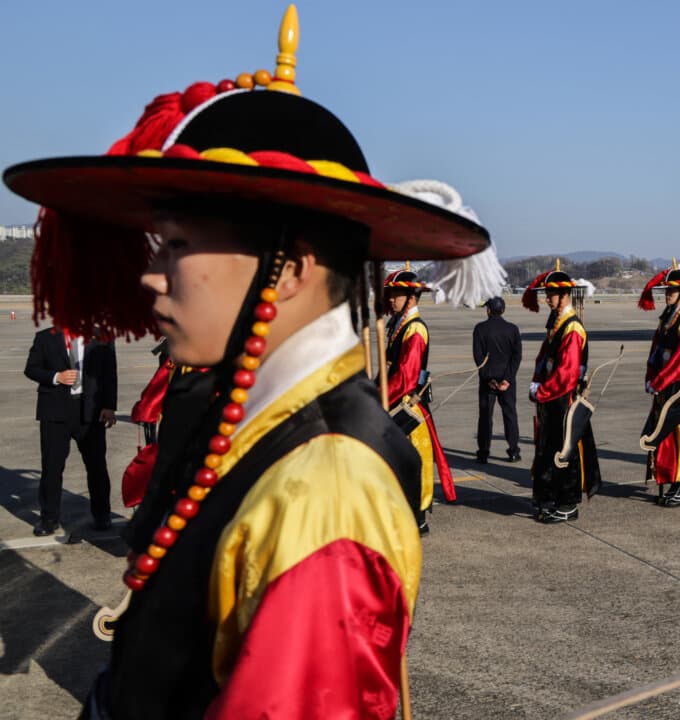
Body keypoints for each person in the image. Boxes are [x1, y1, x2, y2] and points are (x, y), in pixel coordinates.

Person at [3, 8, 490, 717]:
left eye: (176, 246)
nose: (151, 275)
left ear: (287, 268)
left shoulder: (326, 483)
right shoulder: (251, 417)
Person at [522, 264, 601, 523]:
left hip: (563, 400)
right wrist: (537, 384)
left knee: (564, 452)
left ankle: (567, 502)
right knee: (548, 451)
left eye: (551, 295)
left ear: (564, 296)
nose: (546, 299)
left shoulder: (572, 328)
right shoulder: (558, 324)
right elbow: (544, 360)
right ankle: (552, 498)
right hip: (550, 400)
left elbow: (566, 372)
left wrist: (542, 390)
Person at [23, 325, 117, 534]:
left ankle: (102, 515)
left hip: (91, 413)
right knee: (52, 468)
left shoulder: (103, 337)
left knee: (97, 468)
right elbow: (31, 368)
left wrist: (109, 406)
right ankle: (49, 519)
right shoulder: (45, 337)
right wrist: (56, 377)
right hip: (55, 411)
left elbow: (110, 373)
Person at [384, 267, 457, 532]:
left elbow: (406, 375)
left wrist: (380, 398)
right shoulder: (400, 325)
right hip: (395, 402)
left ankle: (416, 516)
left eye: (397, 294)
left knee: (411, 462)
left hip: (406, 407)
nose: (391, 299)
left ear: (411, 298)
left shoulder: (415, 330)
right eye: (390, 294)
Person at [638, 263, 680, 507]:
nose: (668, 294)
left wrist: (661, 380)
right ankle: (672, 481)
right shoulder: (666, 318)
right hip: (664, 385)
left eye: (673, 291)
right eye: (666, 290)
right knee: (666, 437)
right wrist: (650, 376)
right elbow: (656, 351)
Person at [472, 296, 522, 463]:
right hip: (507, 378)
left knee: (485, 416)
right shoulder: (512, 329)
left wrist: (488, 379)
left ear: (488, 310)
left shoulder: (480, 329)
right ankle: (513, 450)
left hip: (488, 379)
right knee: (510, 415)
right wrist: (508, 378)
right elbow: (517, 357)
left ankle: (484, 452)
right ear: (503, 310)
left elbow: (478, 356)